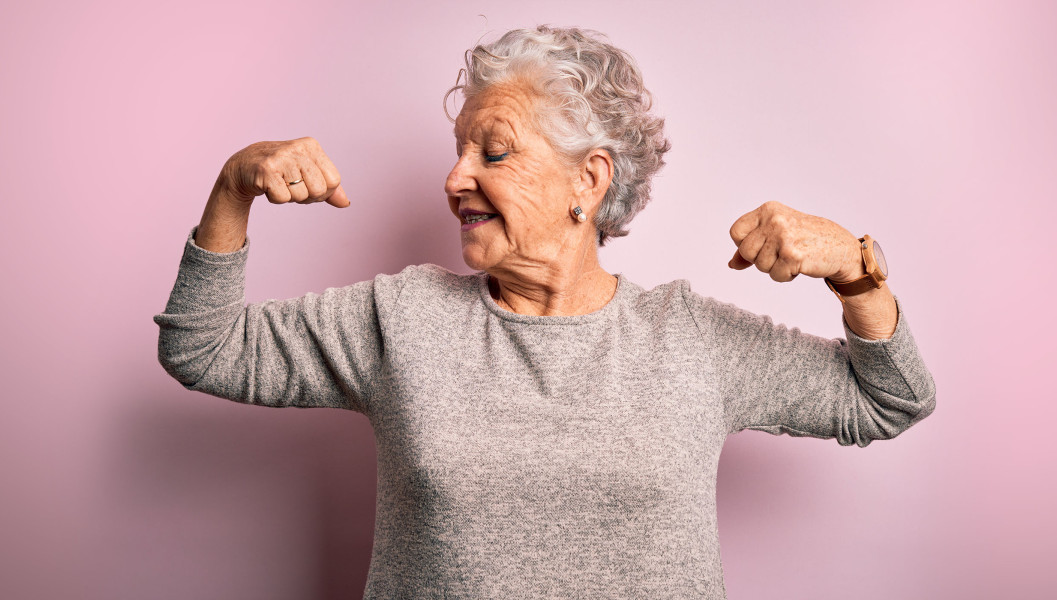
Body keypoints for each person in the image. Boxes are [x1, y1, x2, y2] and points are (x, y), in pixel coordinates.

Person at [154, 26, 936, 599]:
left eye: (491, 153)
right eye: (457, 150)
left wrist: (857, 277)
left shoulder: (688, 340)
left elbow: (890, 397)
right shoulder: (403, 319)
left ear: (587, 181)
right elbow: (204, 348)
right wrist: (234, 187)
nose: (455, 177)